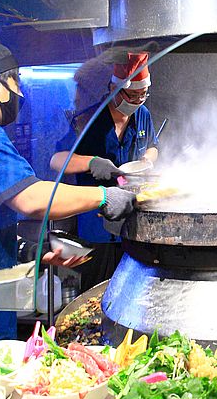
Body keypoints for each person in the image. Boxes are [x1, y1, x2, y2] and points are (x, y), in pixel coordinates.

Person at [0, 42, 137, 360]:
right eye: (16, 81)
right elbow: (30, 197)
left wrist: (30, 251)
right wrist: (104, 196)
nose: (20, 92)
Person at [49, 51, 159, 289]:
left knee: (132, 289)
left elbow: (153, 147)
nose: (138, 101)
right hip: (96, 226)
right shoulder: (90, 119)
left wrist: (147, 161)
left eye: (143, 95)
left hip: (133, 222)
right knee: (97, 290)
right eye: (132, 95)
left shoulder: (143, 115)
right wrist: (91, 162)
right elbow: (57, 160)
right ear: (114, 88)